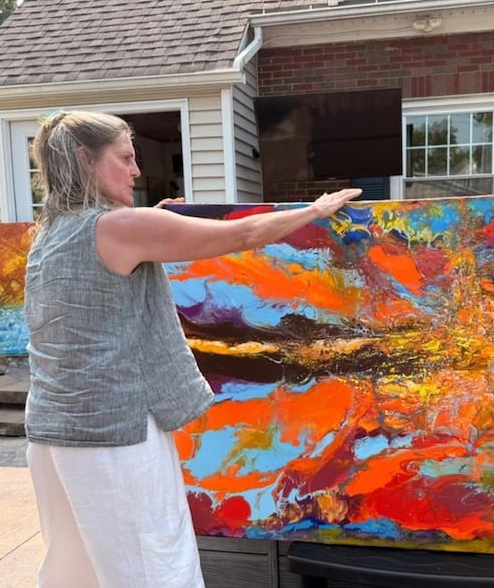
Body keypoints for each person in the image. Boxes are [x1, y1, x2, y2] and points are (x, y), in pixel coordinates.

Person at [23, 109, 361, 588]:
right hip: (112, 433)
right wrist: (314, 210)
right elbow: (240, 235)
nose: (136, 170)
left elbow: (107, 263)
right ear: (85, 159)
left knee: (76, 567)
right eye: (125, 158)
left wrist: (153, 220)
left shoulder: (48, 234)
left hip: (52, 433)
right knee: (150, 563)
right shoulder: (119, 228)